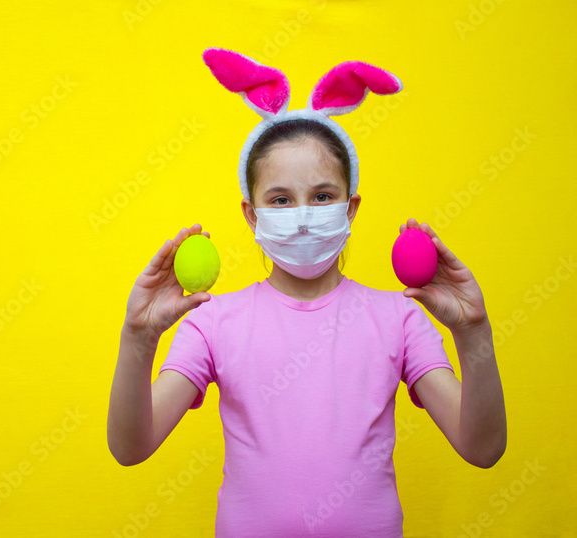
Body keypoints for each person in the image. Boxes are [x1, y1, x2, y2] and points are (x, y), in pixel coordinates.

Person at [106, 48, 507, 537]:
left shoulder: (398, 317)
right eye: (279, 199)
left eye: (321, 196)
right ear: (251, 215)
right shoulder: (212, 321)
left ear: (350, 207)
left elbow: (483, 448)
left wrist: (473, 331)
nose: (301, 215)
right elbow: (131, 447)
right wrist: (138, 337)